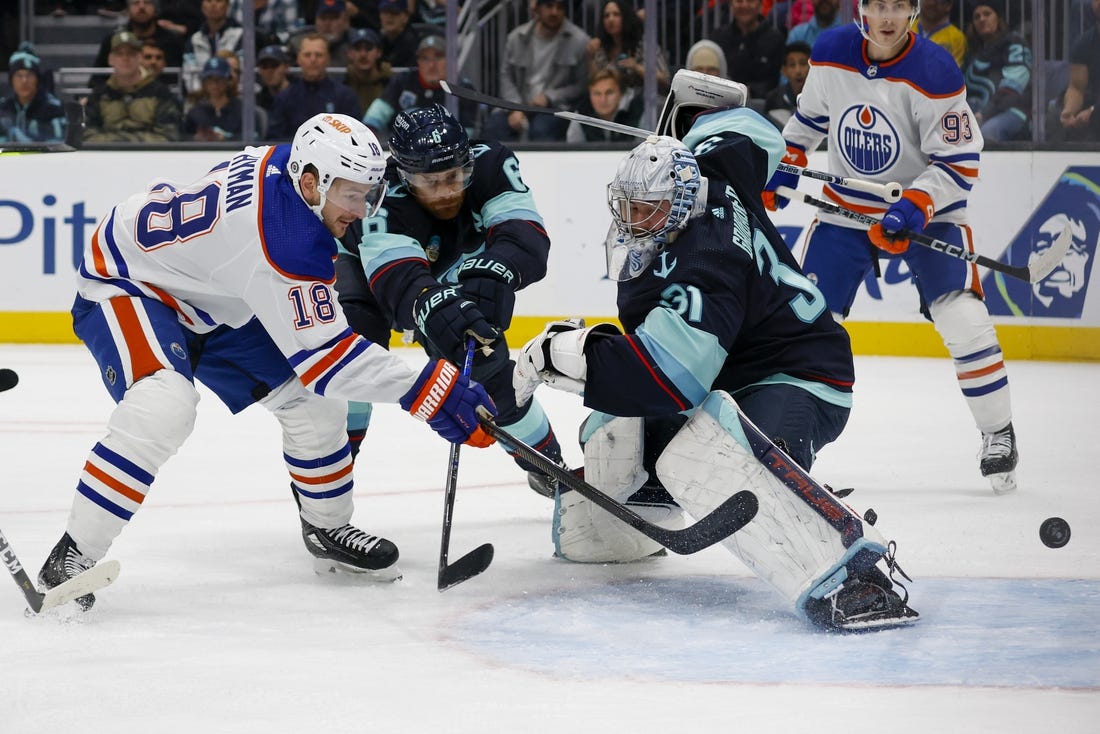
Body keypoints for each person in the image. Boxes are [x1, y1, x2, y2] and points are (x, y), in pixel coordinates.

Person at [36, 113, 498, 610]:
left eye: (368, 193)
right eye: (351, 195)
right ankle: (72, 554)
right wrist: (433, 390)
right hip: (131, 282)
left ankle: (327, 529)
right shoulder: (286, 236)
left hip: (211, 294)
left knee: (312, 404)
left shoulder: (292, 177)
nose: (361, 211)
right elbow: (329, 360)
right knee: (164, 403)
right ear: (310, 182)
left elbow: (316, 364)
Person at [513, 69, 917, 631]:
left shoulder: (704, 258)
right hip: (731, 369)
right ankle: (635, 512)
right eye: (629, 206)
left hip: (797, 377)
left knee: (710, 454)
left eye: (648, 210)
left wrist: (564, 353)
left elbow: (668, 377)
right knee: (614, 426)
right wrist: (692, 116)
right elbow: (753, 133)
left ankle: (854, 574)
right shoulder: (711, 174)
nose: (634, 221)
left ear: (679, 207)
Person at [763, 0, 1019, 494]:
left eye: (898, 6)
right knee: (805, 326)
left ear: (913, 12)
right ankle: (785, 439)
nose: (887, 17)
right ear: (861, 9)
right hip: (846, 211)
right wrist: (785, 165)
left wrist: (915, 206)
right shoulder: (831, 51)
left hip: (927, 214)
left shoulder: (936, 70)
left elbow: (960, 161)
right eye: (878, 5)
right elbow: (809, 121)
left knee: (964, 320)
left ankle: (998, 432)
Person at [337, 104, 564, 495]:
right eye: (431, 181)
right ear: (406, 177)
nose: (446, 192)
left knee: (491, 366)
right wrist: (433, 304)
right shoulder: (381, 195)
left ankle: (551, 468)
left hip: (449, 274)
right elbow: (398, 277)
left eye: (454, 177)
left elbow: (526, 238)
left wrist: (495, 270)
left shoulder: (491, 164)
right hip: (363, 273)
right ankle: (330, 486)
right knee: (354, 362)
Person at [482, 0, 589, 143]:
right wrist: (515, 107)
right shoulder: (516, 37)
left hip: (555, 108)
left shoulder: (580, 41)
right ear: (536, 8)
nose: (554, 12)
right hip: (517, 104)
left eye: (560, 7)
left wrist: (550, 96)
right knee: (493, 127)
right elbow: (505, 76)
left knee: (542, 129)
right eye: (549, 6)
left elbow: (581, 86)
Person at [362, 34, 479, 143]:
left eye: (438, 57)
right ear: (418, 61)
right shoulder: (403, 81)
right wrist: (368, 138)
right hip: (404, 151)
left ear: (450, 60)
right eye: (425, 58)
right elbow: (375, 116)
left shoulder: (462, 89)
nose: (431, 65)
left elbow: (467, 134)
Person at [84, 30, 182, 143]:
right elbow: (87, 136)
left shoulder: (160, 93)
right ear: (110, 59)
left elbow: (168, 136)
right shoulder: (99, 95)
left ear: (140, 57)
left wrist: (119, 141)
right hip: (108, 157)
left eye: (131, 53)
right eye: (119, 54)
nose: (125, 58)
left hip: (150, 157)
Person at [267, 32, 360, 140]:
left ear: (328, 59)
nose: (313, 60)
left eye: (318, 55)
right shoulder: (284, 98)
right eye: (307, 55)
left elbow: (354, 137)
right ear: (298, 59)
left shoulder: (345, 97)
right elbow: (274, 138)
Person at [963, 0, 1032, 142]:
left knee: (987, 133)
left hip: (1013, 111)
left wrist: (984, 114)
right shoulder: (973, 54)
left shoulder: (1014, 43)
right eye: (977, 16)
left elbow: (1012, 89)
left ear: (998, 18)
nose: (982, 19)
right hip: (976, 112)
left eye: (987, 14)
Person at [585, 0, 670, 96]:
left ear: (626, 17)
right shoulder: (600, 45)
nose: (610, 19)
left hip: (643, 99)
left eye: (616, 14)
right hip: (611, 101)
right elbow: (596, 81)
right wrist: (590, 57)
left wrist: (637, 67)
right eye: (606, 16)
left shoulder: (644, 44)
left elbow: (664, 79)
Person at [710, 0, 786, 102]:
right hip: (722, 102)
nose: (744, 5)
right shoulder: (718, 37)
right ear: (731, 5)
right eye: (739, 1)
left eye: (750, 1)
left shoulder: (775, 39)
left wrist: (751, 91)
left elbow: (776, 80)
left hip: (762, 106)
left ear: (760, 6)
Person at [0, 45, 68, 144]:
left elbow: (58, 142)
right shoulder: (3, 108)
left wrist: (18, 137)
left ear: (37, 79)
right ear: (11, 80)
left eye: (29, 75)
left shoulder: (54, 109)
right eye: (19, 75)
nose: (24, 81)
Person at [182, 0, 245, 97]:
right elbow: (189, 74)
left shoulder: (241, 36)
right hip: (201, 99)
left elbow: (243, 71)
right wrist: (206, 95)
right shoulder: (194, 40)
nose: (213, 4)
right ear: (202, 6)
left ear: (227, 5)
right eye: (208, 1)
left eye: (219, 1)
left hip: (235, 98)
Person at [182, 55, 253, 141]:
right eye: (210, 79)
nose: (215, 84)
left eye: (219, 79)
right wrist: (195, 139)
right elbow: (183, 138)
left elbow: (252, 138)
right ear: (204, 82)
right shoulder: (195, 112)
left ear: (228, 80)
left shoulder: (241, 110)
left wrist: (226, 139)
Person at [565, 67, 644, 143]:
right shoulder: (581, 114)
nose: (603, 100)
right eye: (597, 94)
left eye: (609, 93)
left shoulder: (638, 112)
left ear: (621, 94)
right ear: (590, 96)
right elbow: (574, 152)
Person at [1059, 0, 1100, 141]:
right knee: (1056, 115)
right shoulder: (1084, 43)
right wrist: (1069, 110)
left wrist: (1093, 111)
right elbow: (1076, 88)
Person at [344, 27, 394, 116]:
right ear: (350, 53)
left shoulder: (391, 84)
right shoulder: (343, 82)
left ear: (379, 52)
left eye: (368, 48)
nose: (363, 54)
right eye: (358, 49)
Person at [764, 40, 810, 128]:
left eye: (803, 63)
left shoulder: (821, 99)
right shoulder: (773, 99)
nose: (798, 71)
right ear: (784, 70)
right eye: (792, 65)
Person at [914, 0, 966, 67]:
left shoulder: (957, 38)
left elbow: (951, 73)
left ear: (949, 5)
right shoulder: (903, 28)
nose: (932, 3)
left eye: (939, 0)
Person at [377, 0, 421, 68]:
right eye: (385, 12)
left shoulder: (411, 44)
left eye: (394, 12)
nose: (389, 16)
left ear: (405, 17)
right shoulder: (380, 40)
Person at [256, 44, 291, 113]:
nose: (269, 71)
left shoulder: (300, 97)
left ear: (286, 67)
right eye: (264, 66)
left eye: (274, 65)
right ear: (260, 70)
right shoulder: (257, 101)